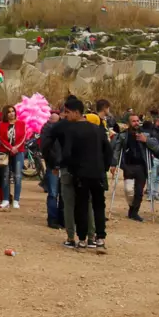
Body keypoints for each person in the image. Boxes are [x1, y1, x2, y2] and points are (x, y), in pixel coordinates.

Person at [47, 95, 113, 251]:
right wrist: (103, 168)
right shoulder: (97, 129)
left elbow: (68, 153)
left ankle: (82, 240)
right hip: (97, 174)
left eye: (68, 112)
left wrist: (64, 166)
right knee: (98, 206)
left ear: (76, 112)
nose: (66, 116)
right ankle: (100, 239)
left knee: (81, 206)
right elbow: (108, 151)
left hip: (81, 174)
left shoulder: (73, 130)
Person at [112, 113, 159, 222]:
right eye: (133, 121)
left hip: (142, 166)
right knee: (128, 190)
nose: (136, 123)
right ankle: (132, 207)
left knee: (139, 192)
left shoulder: (146, 133)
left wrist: (146, 140)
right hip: (128, 166)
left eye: (137, 121)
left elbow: (157, 147)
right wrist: (114, 163)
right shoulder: (123, 135)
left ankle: (134, 212)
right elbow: (117, 150)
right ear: (128, 123)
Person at [0, 105, 25, 210]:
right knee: (5, 176)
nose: (12, 113)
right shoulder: (2, 125)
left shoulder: (21, 123)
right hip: (5, 152)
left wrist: (15, 147)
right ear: (5, 114)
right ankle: (6, 199)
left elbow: (23, 136)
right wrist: (10, 148)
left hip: (18, 152)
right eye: (9, 112)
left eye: (13, 111)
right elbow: (1, 138)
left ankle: (16, 199)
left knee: (17, 176)